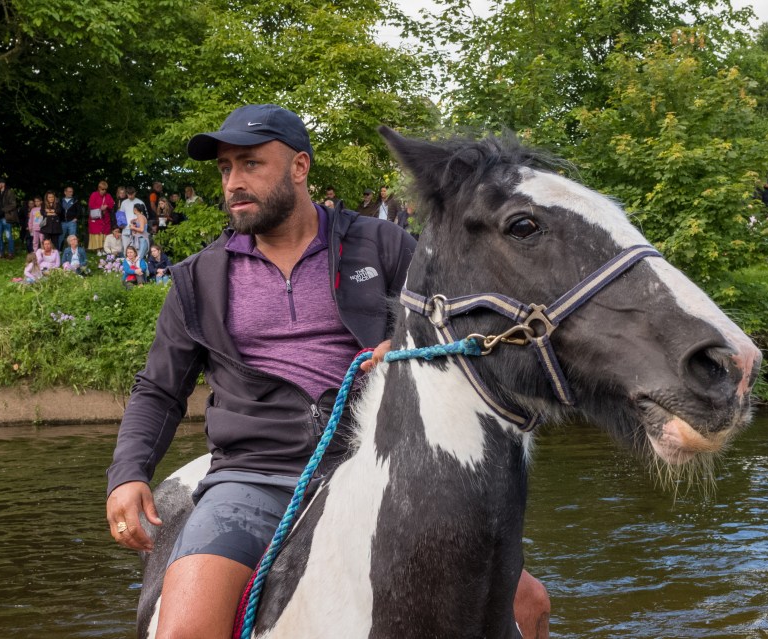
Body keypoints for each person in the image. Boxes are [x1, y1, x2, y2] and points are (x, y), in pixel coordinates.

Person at [105, 104, 550, 639]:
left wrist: (413, 344)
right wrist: (128, 475)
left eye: (250, 165)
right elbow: (158, 390)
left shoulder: (383, 246)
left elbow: (465, 331)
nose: (233, 183)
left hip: (381, 467)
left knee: (530, 606)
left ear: (299, 167)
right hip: (251, 478)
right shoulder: (197, 278)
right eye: (225, 170)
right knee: (185, 634)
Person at [87, 181, 115, 252]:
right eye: (102, 189)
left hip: (105, 219)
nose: (104, 191)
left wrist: (107, 206)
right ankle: (97, 250)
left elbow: (112, 204)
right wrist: (100, 207)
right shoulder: (94, 194)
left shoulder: (108, 195)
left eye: (105, 189)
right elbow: (91, 205)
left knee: (104, 234)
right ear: (99, 188)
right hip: (96, 218)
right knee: (96, 234)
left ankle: (103, 249)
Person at [0, 179, 18, 259]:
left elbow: (13, 204)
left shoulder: (9, 192)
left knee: (8, 236)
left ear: (3, 184)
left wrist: (3, 210)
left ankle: (10, 253)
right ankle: (1, 253)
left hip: (6, 217)